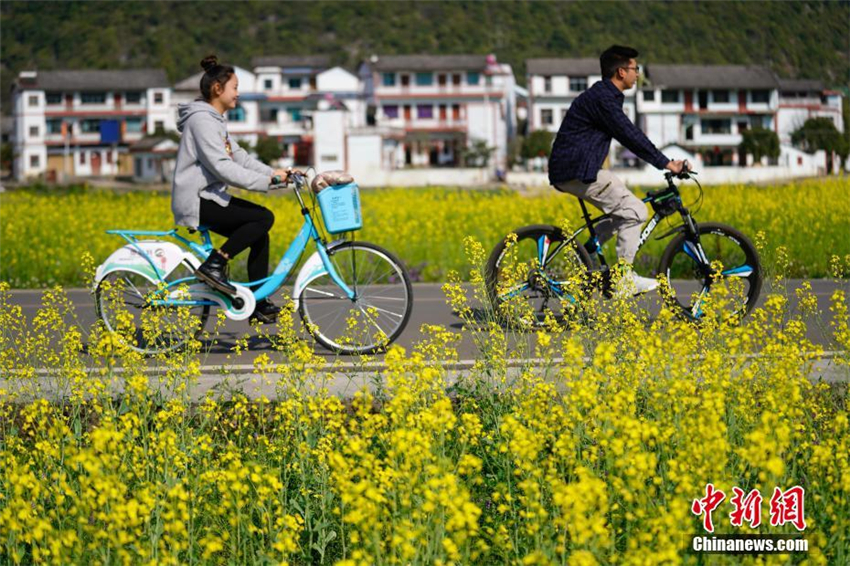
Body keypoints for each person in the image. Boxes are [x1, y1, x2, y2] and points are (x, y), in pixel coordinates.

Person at [548, 45, 688, 295]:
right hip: (577, 170)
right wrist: (666, 163)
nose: (638, 74)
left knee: (621, 209)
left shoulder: (603, 96)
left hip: (574, 169)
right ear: (621, 72)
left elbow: (628, 134)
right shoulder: (603, 99)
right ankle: (623, 278)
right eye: (636, 69)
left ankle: (587, 253)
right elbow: (630, 135)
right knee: (636, 211)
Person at [171, 55, 293, 324]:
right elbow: (222, 167)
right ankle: (215, 264)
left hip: (208, 196)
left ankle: (258, 301)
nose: (238, 93)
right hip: (196, 200)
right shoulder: (202, 121)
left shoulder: (214, 121)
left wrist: (275, 174)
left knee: (259, 233)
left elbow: (240, 158)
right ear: (218, 89)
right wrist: (267, 183)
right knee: (263, 218)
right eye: (235, 87)